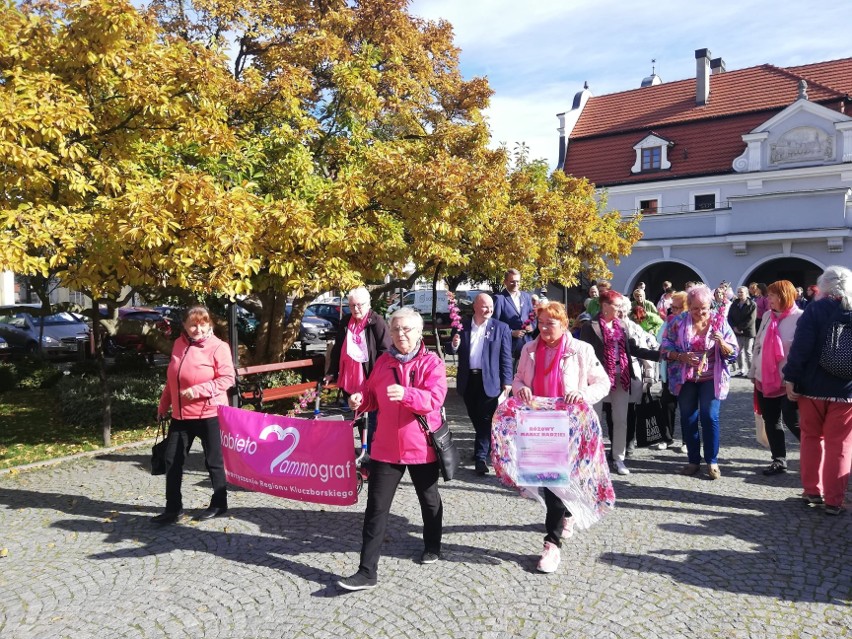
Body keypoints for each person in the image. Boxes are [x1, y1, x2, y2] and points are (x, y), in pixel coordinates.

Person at [338, 307, 447, 590]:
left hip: (421, 446)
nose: (400, 334)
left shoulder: (432, 362)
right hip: (386, 447)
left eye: (407, 329)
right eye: (396, 329)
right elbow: (372, 397)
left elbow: (434, 399)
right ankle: (366, 571)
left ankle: (432, 544)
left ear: (419, 332)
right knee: (376, 508)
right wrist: (359, 401)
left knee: (429, 498)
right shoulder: (384, 362)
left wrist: (407, 394)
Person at [512, 301, 610, 573]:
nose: (543, 328)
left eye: (550, 324)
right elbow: (518, 379)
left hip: (570, 425)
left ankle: (551, 545)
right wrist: (521, 390)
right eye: (541, 323)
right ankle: (563, 520)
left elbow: (603, 383)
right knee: (549, 483)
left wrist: (582, 395)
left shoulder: (581, 350)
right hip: (539, 424)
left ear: (564, 325)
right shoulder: (529, 349)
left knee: (557, 483)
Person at [154, 306, 235, 524]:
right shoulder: (178, 344)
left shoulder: (219, 347)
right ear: (185, 326)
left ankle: (219, 503)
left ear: (209, 324)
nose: (198, 328)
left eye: (203, 323)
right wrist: (163, 406)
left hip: (208, 413)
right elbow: (172, 379)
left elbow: (228, 379)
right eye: (193, 324)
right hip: (181, 416)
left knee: (213, 461)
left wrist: (198, 390)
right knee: (172, 460)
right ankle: (173, 508)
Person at [782, 265, 852, 516]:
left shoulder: (815, 310)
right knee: (841, 444)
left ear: (824, 286)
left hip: (811, 388)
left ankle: (812, 490)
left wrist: (790, 378)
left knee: (811, 438)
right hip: (846, 391)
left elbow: (800, 348)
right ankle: (834, 500)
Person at [579, 290, 660, 475]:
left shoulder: (622, 325)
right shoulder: (589, 326)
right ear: (605, 306)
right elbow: (583, 356)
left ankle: (618, 458)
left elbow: (633, 349)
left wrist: (659, 355)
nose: (620, 309)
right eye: (616, 306)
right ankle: (593, 457)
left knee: (621, 420)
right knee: (594, 420)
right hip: (597, 379)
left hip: (621, 376)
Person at [661, 285, 738, 479]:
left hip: (711, 378)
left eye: (703, 308)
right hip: (685, 378)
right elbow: (664, 346)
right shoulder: (677, 322)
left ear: (710, 305)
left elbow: (733, 351)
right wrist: (681, 356)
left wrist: (721, 342)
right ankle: (693, 460)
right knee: (688, 417)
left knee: (709, 416)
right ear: (689, 306)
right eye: (695, 308)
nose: (700, 312)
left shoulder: (718, 321)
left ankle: (712, 460)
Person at [448, 293, 513, 475]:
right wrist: (454, 344)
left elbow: (506, 357)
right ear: (475, 306)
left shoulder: (501, 328)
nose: (489, 310)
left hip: (490, 380)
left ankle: (480, 457)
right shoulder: (462, 327)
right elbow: (451, 348)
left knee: (485, 419)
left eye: (491, 307)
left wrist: (507, 381)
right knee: (475, 416)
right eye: (485, 306)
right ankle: (489, 445)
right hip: (468, 379)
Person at [325, 287, 392, 450]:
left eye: (359, 305)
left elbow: (386, 351)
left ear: (368, 304)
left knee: (372, 418)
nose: (356, 309)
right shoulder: (346, 321)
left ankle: (371, 452)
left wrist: (378, 376)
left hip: (370, 379)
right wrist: (332, 372)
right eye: (352, 305)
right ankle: (363, 450)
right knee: (358, 415)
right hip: (350, 377)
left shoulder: (377, 321)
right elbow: (338, 348)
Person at [749, 280, 802, 475]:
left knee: (792, 420)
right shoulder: (767, 317)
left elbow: (801, 352)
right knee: (771, 420)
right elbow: (758, 345)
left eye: (771, 295)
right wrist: (753, 371)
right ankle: (779, 459)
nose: (767, 298)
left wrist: (795, 378)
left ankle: (815, 452)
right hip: (765, 379)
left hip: (788, 380)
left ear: (783, 296)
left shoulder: (800, 318)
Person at [652, 291, 688, 452]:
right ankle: (666, 437)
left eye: (676, 307)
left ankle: (687, 441)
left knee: (688, 408)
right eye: (671, 307)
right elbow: (659, 339)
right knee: (667, 404)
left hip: (687, 373)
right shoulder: (669, 320)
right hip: (669, 371)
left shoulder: (691, 322)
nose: (672, 310)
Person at [493, 268, 536, 363]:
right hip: (509, 346)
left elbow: (532, 315)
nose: (516, 284)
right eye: (512, 282)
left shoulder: (526, 297)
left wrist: (532, 326)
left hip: (527, 343)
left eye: (518, 281)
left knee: (527, 375)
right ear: (505, 282)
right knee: (510, 376)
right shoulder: (499, 299)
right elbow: (494, 323)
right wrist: (511, 332)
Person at [727, 286, 757, 377]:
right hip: (736, 331)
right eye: (738, 292)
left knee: (748, 352)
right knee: (739, 351)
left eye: (742, 292)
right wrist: (734, 327)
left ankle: (751, 371)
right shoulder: (734, 303)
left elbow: (751, 319)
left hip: (748, 332)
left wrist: (740, 328)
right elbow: (730, 317)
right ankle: (741, 369)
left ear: (746, 293)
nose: (739, 294)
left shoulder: (752, 304)